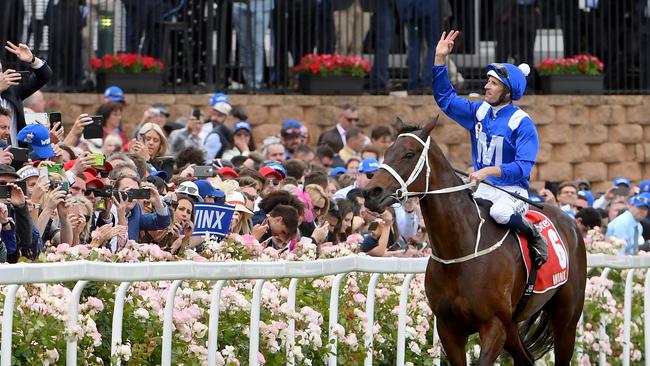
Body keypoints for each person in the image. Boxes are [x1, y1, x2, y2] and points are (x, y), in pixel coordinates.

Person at [432, 30, 547, 268]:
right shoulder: (478, 112)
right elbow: (446, 99)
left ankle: (534, 234)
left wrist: (487, 171)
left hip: (511, 192)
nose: (486, 87)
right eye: (487, 81)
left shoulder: (522, 123)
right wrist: (440, 60)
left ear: (508, 91)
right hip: (482, 190)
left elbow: (522, 169)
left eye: (493, 83)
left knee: (500, 214)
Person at [0, 41, 52, 147]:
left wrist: (32, 59)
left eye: (0, 71)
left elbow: (44, 76)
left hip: (16, 156)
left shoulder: (12, 90)